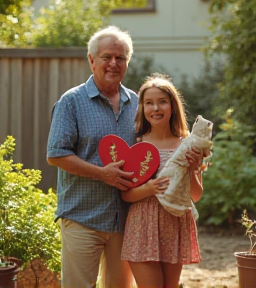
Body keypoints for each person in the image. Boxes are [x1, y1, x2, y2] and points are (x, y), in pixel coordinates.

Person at [46, 26, 138, 288]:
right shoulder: (71, 102)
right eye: (106, 56)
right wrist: (102, 173)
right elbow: (56, 154)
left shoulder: (137, 103)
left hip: (124, 219)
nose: (113, 63)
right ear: (91, 60)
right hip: (82, 218)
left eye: (120, 58)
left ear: (127, 63)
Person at [121, 73, 204, 288]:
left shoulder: (187, 145)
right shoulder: (135, 144)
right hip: (142, 226)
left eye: (162, 102)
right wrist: (149, 188)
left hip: (174, 224)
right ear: (142, 108)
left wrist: (194, 169)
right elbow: (126, 194)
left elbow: (195, 195)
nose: (155, 108)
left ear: (173, 106)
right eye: (149, 103)